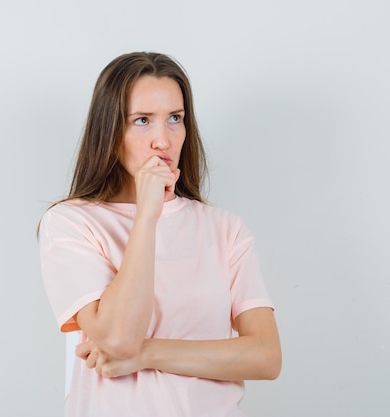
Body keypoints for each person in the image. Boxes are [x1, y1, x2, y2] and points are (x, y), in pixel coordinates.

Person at [38, 52, 281, 417]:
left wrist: (147, 354)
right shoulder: (71, 222)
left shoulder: (225, 229)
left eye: (174, 119)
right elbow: (118, 337)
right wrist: (147, 214)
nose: (162, 140)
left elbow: (266, 356)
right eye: (141, 120)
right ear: (109, 131)